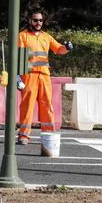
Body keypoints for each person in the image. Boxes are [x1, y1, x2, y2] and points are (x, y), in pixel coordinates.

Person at [16, 11, 73, 145]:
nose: (38, 23)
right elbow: (20, 58)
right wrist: (18, 77)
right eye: (35, 20)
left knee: (47, 104)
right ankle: (23, 135)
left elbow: (58, 49)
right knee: (27, 105)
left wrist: (67, 47)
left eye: (40, 20)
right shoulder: (23, 36)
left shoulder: (46, 37)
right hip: (29, 75)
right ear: (30, 20)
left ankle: (48, 135)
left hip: (44, 75)